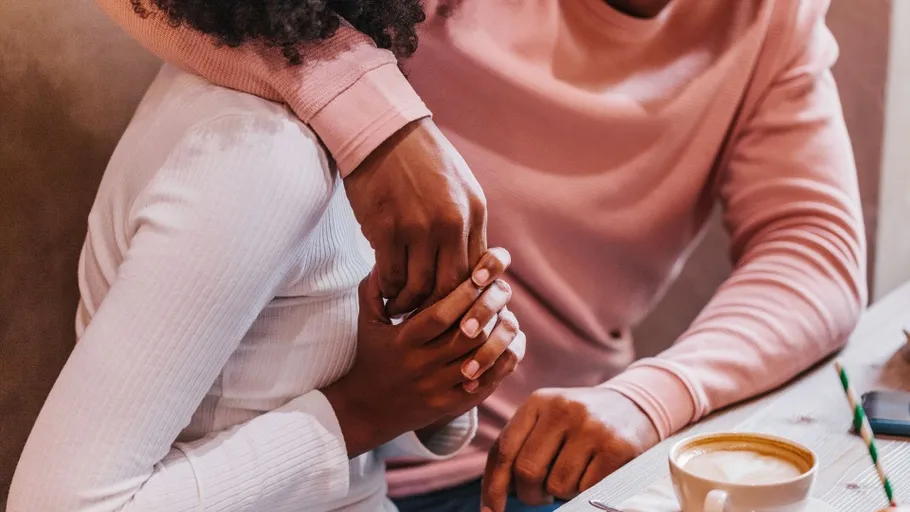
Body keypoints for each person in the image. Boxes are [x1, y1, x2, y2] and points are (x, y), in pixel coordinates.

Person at [91, 0, 867, 510]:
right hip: (365, 465)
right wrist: (379, 125)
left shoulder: (771, 17)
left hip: (564, 458)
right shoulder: (244, 161)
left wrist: (652, 396)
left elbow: (814, 246)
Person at [7, 53, 527, 512]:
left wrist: (432, 378)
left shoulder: (324, 114)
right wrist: (362, 411)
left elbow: (268, 396)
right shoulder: (258, 154)